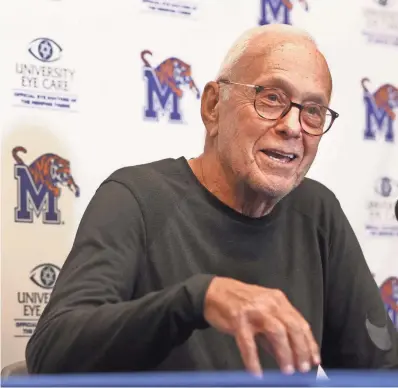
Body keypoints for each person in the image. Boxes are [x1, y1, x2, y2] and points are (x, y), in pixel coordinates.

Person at [26, 24, 398, 375]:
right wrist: (195, 300)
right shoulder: (136, 198)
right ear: (213, 106)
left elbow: (381, 368)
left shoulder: (318, 212)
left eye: (313, 112)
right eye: (271, 98)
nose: (291, 126)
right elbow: (51, 351)